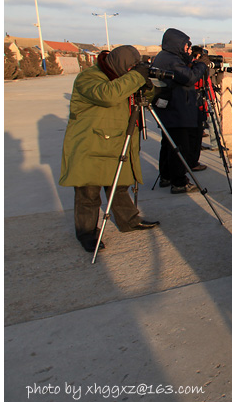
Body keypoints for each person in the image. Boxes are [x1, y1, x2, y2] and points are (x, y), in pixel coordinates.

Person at [59, 45, 160, 253]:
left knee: (119, 186)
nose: (132, 70)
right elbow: (107, 95)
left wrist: (147, 87)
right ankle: (86, 233)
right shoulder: (90, 77)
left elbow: (141, 100)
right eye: (131, 67)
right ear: (120, 63)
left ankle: (129, 221)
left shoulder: (123, 77)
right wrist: (135, 78)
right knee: (88, 191)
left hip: (115, 141)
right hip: (90, 143)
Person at [151, 28, 209, 194]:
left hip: (170, 108)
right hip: (177, 109)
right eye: (186, 46)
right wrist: (202, 65)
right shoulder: (172, 60)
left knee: (168, 143)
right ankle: (179, 182)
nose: (188, 49)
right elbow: (189, 78)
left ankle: (166, 176)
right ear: (178, 44)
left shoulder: (165, 57)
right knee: (179, 147)